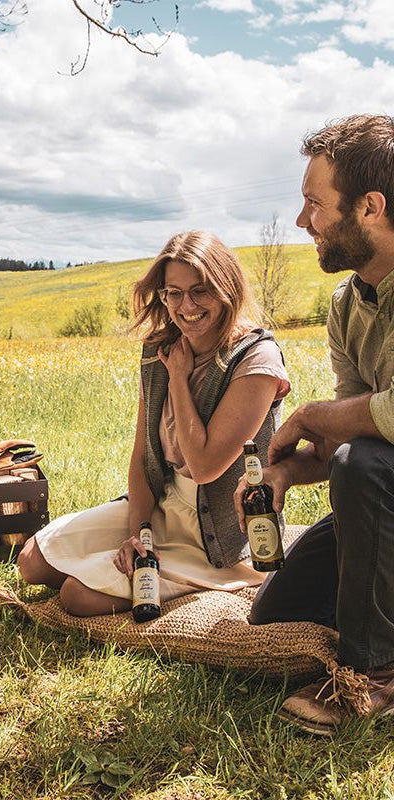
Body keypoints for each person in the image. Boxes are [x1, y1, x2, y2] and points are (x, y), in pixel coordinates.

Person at [18, 231, 290, 616]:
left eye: (200, 291)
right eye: (173, 293)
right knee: (32, 561)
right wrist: (139, 533)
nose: (186, 306)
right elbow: (142, 456)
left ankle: (189, 579)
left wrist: (179, 378)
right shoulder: (159, 349)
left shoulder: (256, 359)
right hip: (166, 504)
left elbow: (205, 465)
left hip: (217, 533)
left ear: (226, 289)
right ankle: (127, 563)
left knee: (75, 596)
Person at [235, 114, 394, 735]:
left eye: (314, 204)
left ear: (370, 208)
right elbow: (360, 434)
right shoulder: (346, 303)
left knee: (363, 465)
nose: (303, 221)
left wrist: (303, 415)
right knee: (276, 614)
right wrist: (287, 472)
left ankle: (371, 675)